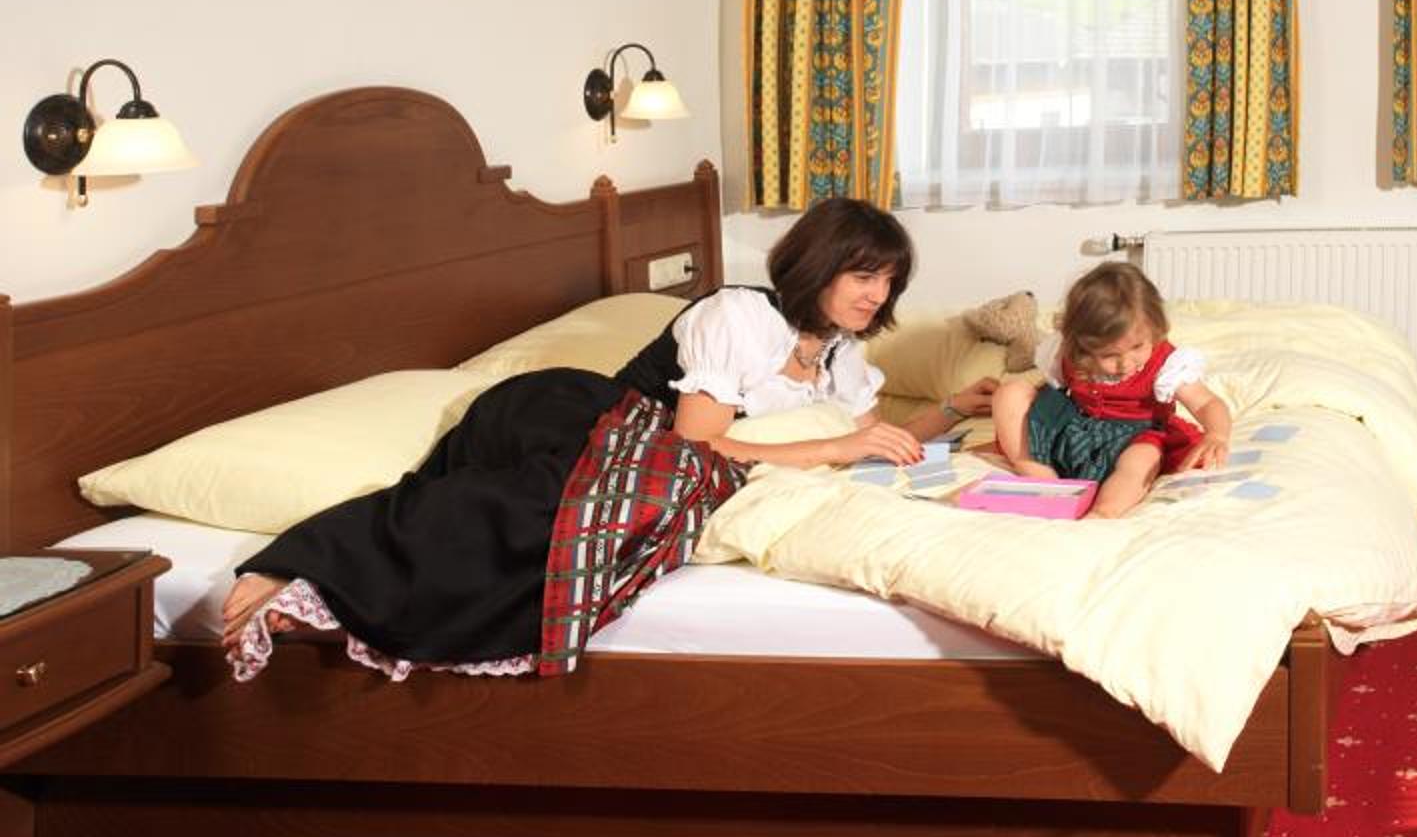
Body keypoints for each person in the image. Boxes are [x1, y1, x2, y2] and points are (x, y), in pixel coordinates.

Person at [217, 197, 1000, 679]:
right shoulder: (739, 317)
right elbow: (698, 448)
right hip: (580, 416)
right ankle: (308, 565)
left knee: (621, 509)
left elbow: (875, 439)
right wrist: (828, 451)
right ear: (818, 267)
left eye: (888, 281)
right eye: (863, 276)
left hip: (650, 448)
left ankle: (343, 596)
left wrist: (953, 410)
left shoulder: (838, 354)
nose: (877, 296)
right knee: (538, 512)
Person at [986, 262, 1232, 518]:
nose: (1125, 363)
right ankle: (1042, 479)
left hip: (1136, 437)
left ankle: (1103, 512)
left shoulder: (1166, 363)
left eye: (1137, 347)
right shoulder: (1067, 353)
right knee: (1009, 393)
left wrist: (1217, 434)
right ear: (1083, 345)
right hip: (1075, 433)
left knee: (1142, 460)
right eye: (1109, 355)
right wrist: (1028, 414)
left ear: (1154, 330)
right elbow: (1050, 392)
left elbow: (1206, 403)